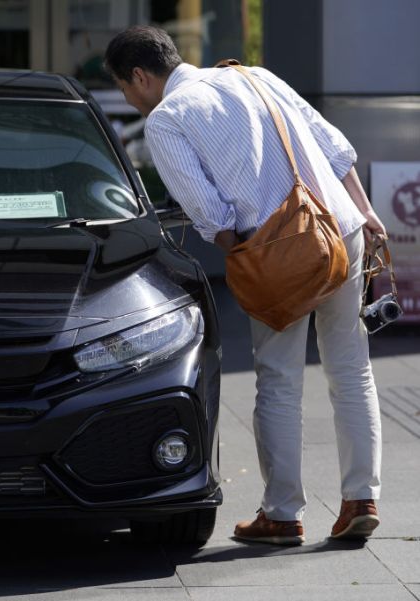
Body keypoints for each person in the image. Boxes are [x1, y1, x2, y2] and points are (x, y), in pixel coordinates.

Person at [103, 25, 385, 545]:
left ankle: (281, 514)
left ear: (140, 76)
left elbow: (210, 213)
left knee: (279, 378)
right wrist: (366, 213)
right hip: (342, 228)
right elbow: (335, 147)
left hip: (278, 248)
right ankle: (360, 499)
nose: (130, 98)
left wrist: (247, 257)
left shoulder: (167, 119)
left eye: (125, 88)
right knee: (352, 371)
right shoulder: (253, 75)